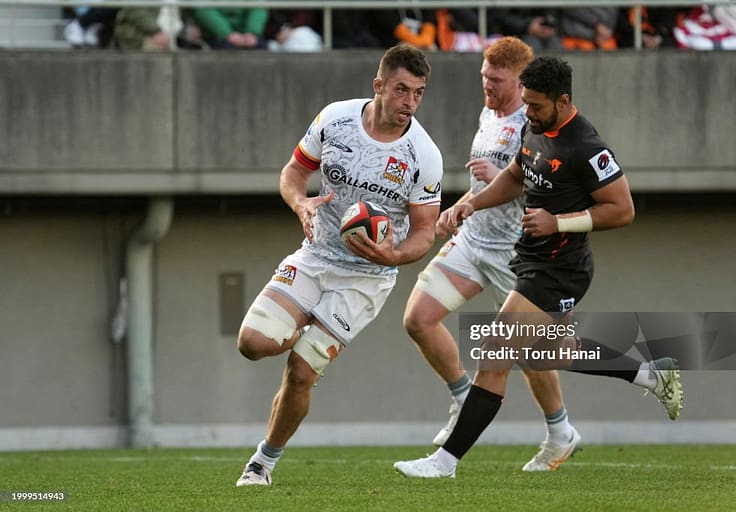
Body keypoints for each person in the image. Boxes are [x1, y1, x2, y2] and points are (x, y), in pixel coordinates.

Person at [394, 56, 683, 478]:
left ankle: (445, 462)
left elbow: (622, 210)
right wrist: (470, 203)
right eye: (526, 103)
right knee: (548, 351)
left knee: (495, 352)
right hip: (530, 257)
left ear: (563, 101)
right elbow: (515, 175)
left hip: (562, 268)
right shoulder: (535, 127)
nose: (527, 112)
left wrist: (558, 222)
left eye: (536, 105)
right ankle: (650, 376)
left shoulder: (587, 146)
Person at [235, 44, 443, 487]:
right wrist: (300, 205)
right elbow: (293, 174)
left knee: (302, 372)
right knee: (253, 343)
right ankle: (299, 327)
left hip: (366, 280)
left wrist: (394, 255)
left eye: (419, 93)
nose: (410, 102)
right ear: (379, 86)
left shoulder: (423, 154)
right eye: (402, 90)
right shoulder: (335, 119)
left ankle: (262, 464)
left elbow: (426, 231)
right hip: (314, 256)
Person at [403, 36, 581, 472]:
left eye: (496, 80)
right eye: (484, 76)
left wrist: (498, 177)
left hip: (512, 252)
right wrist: (463, 204)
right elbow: (486, 180)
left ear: (520, 82)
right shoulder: (488, 112)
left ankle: (560, 430)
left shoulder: (533, 120)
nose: (487, 85)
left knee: (530, 352)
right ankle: (463, 394)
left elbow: (528, 180)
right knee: (418, 319)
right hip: (473, 240)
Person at [192, 7, 269, 49]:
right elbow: (203, 9)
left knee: (261, 47)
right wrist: (227, 33)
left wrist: (252, 32)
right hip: (216, 35)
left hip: (248, 36)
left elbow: (258, 7)